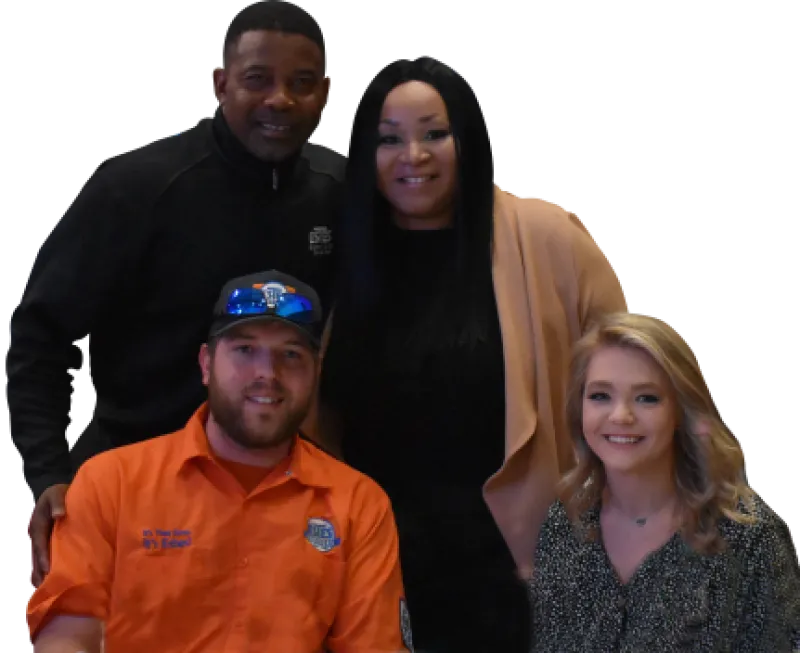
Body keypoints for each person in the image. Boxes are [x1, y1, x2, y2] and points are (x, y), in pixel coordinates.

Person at [11, 0, 342, 589]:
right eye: (256, 80)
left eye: (302, 84)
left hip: (278, 500)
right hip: (133, 490)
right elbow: (39, 335)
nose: (280, 101)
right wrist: (47, 477)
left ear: (326, 93)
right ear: (221, 84)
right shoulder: (136, 190)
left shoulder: (336, 192)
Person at [313, 56, 629, 653]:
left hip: (514, 573)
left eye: (436, 133)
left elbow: (641, 381)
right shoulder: (345, 252)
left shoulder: (545, 238)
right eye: (389, 139)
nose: (414, 156)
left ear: (470, 138)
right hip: (373, 574)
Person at [24, 271, 413, 653]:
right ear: (206, 364)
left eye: (291, 355)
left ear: (315, 374)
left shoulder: (359, 504)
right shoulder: (110, 481)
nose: (267, 373)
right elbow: (68, 632)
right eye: (244, 349)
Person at [528, 312, 800, 652]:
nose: (620, 416)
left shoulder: (749, 536)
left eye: (647, 398)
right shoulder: (564, 523)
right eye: (600, 396)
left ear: (679, 413)